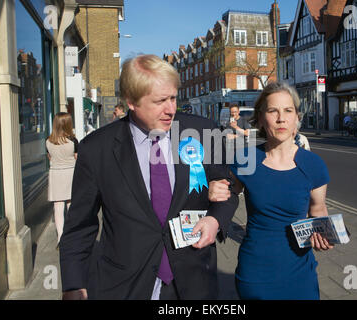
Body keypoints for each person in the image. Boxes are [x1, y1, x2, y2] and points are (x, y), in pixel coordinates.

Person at [59, 54, 238, 300]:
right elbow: (80, 226)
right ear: (131, 101)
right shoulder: (96, 149)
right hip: (127, 284)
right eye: (160, 101)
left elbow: (227, 193)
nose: (170, 109)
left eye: (173, 98)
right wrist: (73, 283)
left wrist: (215, 221)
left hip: (193, 282)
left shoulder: (203, 131)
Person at [208, 82, 333, 300]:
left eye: (288, 110)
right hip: (255, 274)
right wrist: (213, 190)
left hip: (299, 274)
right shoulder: (245, 158)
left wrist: (322, 235)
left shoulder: (314, 165)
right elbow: (225, 196)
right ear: (261, 118)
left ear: (296, 117)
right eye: (273, 110)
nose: (281, 118)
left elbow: (318, 210)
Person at [46, 112, 78, 245]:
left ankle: (60, 236)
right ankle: (71, 234)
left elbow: (50, 157)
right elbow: (77, 157)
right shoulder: (73, 141)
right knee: (71, 204)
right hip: (71, 173)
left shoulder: (48, 141)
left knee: (58, 206)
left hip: (56, 174)